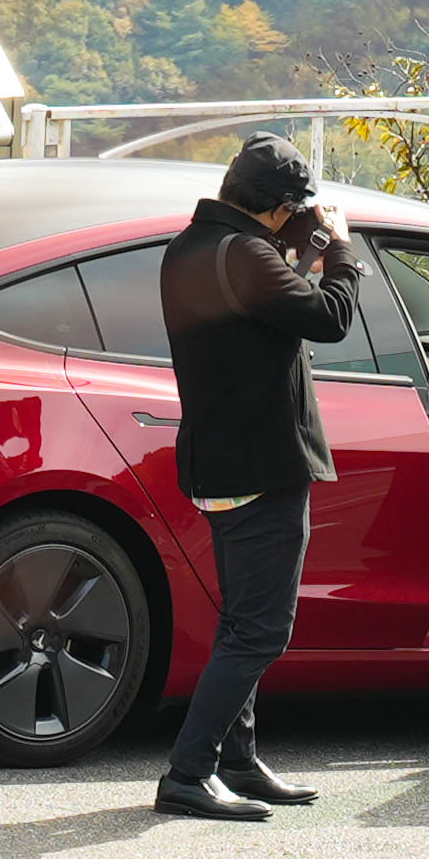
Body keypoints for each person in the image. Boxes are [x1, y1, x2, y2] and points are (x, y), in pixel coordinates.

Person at [147, 133, 357, 822]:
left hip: (217, 460)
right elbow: (330, 318)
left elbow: (256, 313)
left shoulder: (190, 247)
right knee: (262, 630)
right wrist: (340, 250)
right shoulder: (248, 254)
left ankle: (238, 760)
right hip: (262, 466)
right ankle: (190, 771)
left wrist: (300, 253)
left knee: (242, 621)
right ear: (277, 207)